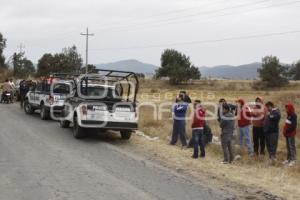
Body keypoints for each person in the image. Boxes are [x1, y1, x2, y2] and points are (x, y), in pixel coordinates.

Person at [283, 102, 297, 166]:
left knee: (291, 147)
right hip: (287, 134)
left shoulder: (293, 115)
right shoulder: (288, 115)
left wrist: (287, 131)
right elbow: (287, 124)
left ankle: (293, 160)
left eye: (287, 108)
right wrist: (285, 131)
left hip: (291, 134)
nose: (286, 109)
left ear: (290, 108)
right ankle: (288, 159)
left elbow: (293, 126)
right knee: (288, 147)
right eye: (286, 108)